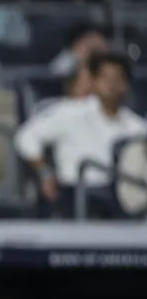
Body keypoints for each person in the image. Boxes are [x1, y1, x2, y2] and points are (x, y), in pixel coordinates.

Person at [15, 52, 147, 219]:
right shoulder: (70, 113)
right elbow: (26, 137)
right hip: (77, 195)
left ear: (126, 84)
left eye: (117, 79)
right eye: (105, 78)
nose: (111, 85)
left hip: (125, 201)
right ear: (94, 81)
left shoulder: (137, 127)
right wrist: (45, 173)